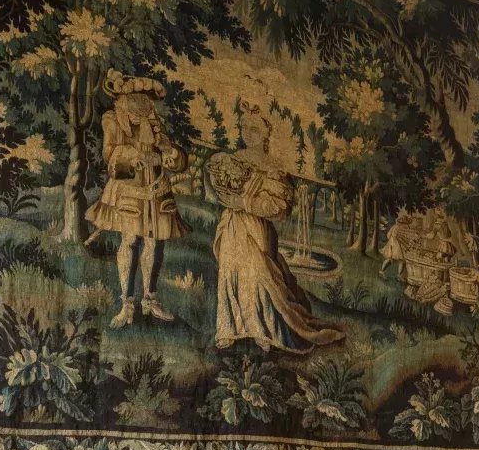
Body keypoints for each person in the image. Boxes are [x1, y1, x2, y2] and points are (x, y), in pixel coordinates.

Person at [209, 108, 344, 353]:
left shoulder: (273, 167)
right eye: (245, 128)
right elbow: (219, 190)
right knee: (231, 272)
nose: (248, 133)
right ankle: (229, 328)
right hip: (233, 225)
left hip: (258, 228)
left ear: (265, 133)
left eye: (254, 129)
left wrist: (246, 202)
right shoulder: (234, 159)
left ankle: (263, 328)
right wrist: (231, 199)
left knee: (260, 276)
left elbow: (280, 208)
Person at [87, 72, 186, 327]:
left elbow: (174, 158)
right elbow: (109, 157)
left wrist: (169, 153)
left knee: (153, 242)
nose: (142, 101)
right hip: (130, 190)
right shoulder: (113, 119)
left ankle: (149, 300)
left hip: (156, 190)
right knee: (129, 240)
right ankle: (126, 305)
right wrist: (132, 157)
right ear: (124, 97)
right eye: (136, 95)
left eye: (145, 96)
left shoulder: (153, 121)